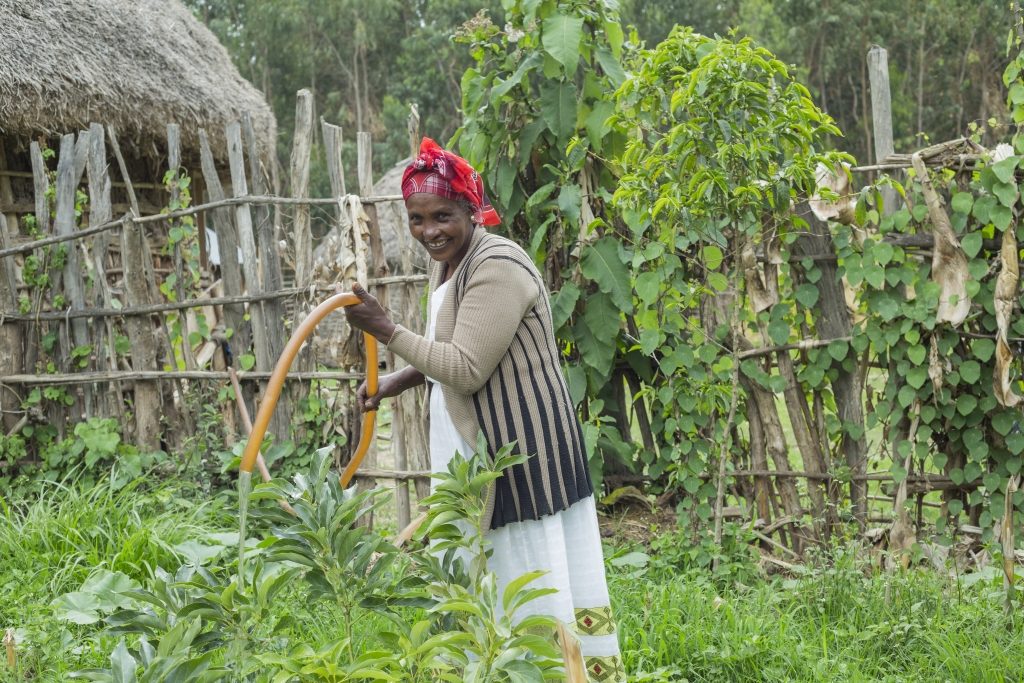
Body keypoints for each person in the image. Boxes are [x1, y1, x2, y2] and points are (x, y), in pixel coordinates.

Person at [343, 137, 624, 682]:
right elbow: (452, 343)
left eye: (443, 216)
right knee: (484, 573)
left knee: (530, 573)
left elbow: (467, 366)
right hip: (480, 446)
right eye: (418, 219)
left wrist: (387, 331)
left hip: (519, 450)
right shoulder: (450, 263)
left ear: (472, 209)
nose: (430, 231)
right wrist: (400, 380)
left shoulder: (497, 265)